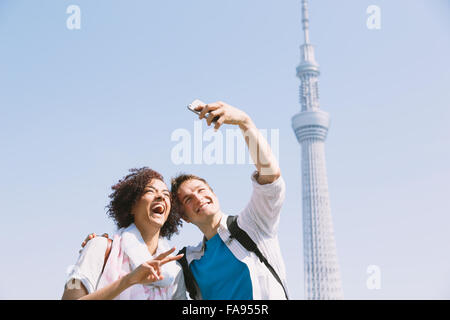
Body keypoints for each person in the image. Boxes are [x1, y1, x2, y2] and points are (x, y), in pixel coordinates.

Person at [170, 101, 289, 300]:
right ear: (184, 216)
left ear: (214, 194)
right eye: (188, 199)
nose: (199, 198)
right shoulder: (188, 262)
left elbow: (270, 176)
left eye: (201, 190)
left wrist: (245, 122)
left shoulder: (253, 224)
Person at [62, 167, 186, 300]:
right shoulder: (99, 247)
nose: (161, 196)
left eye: (166, 194)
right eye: (150, 191)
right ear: (131, 206)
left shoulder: (174, 270)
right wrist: (128, 280)